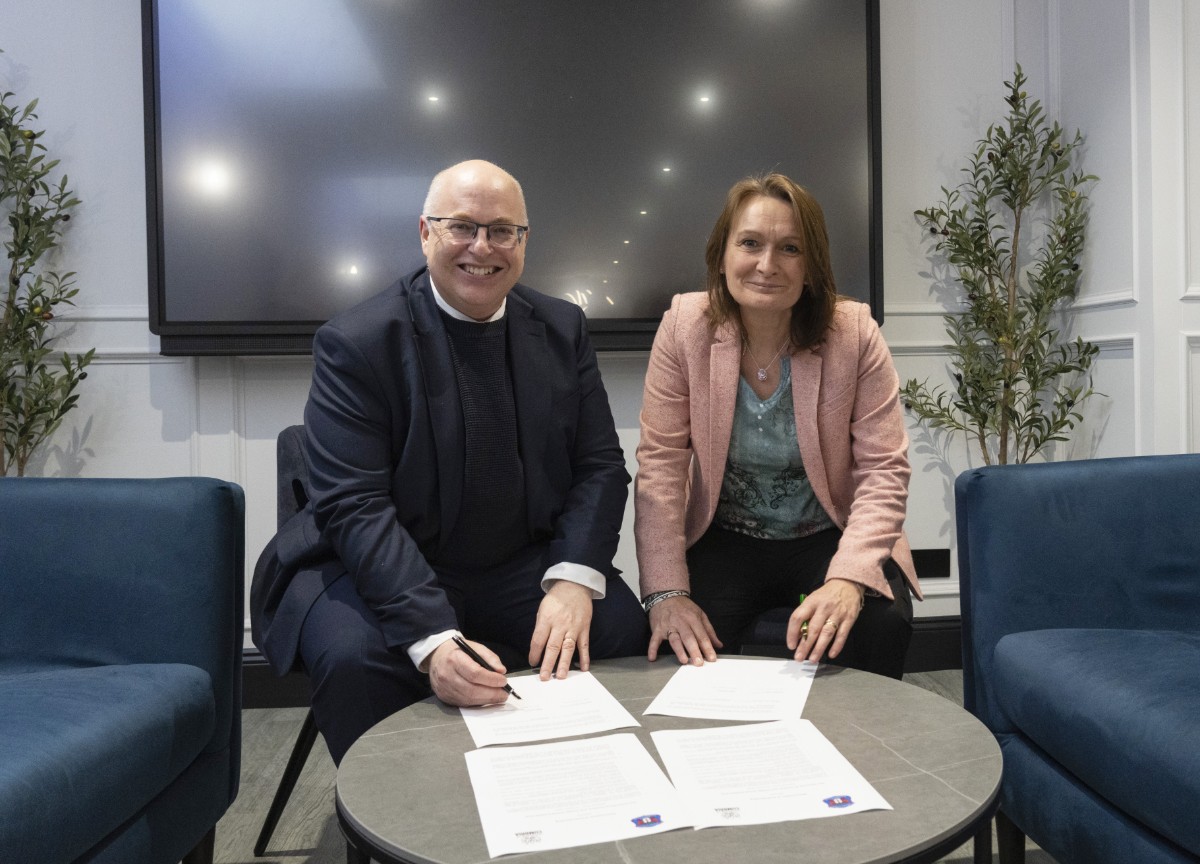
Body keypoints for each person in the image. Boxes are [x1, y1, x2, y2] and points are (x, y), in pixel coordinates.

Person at [251, 160, 647, 764]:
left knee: (619, 629)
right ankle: (396, 834)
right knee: (357, 659)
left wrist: (571, 580)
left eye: (502, 231)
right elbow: (355, 506)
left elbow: (599, 466)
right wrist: (431, 639)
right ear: (425, 233)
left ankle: (577, 801)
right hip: (378, 561)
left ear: (523, 241)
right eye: (462, 227)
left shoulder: (562, 327)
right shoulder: (356, 341)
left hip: (516, 559)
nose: (482, 248)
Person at [634, 172, 921, 679]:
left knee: (879, 621)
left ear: (811, 267)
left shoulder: (853, 333)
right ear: (721, 255)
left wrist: (849, 579)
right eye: (750, 243)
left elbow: (884, 471)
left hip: (829, 529)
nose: (767, 265)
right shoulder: (684, 325)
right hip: (726, 534)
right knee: (678, 644)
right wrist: (665, 592)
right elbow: (660, 466)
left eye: (790, 248)